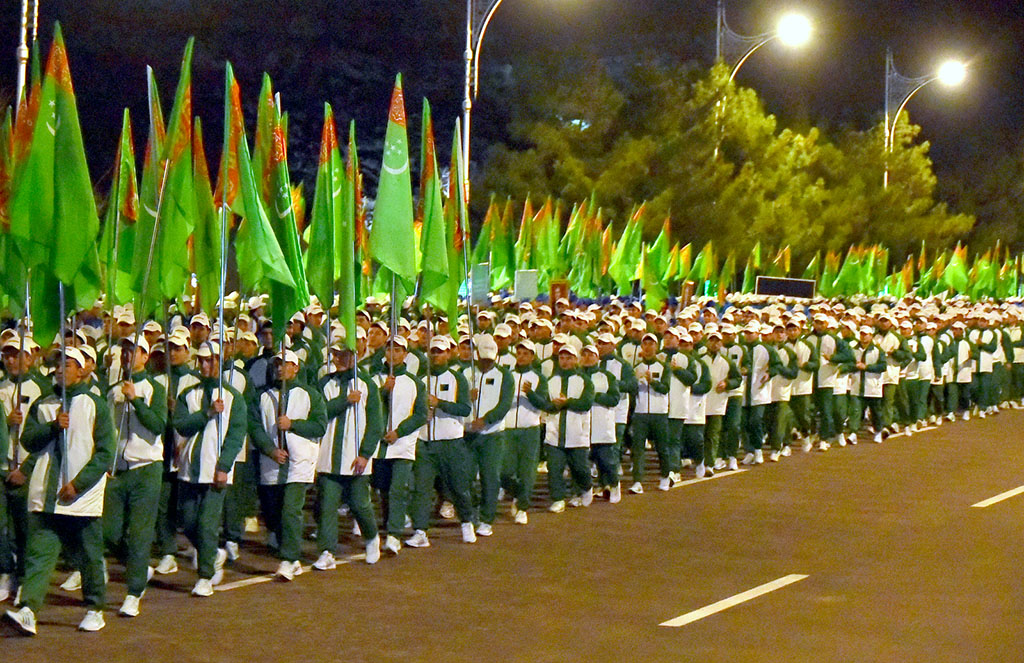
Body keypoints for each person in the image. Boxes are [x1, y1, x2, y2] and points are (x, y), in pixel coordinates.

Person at [5, 347, 115, 635]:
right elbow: (28, 440)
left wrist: (78, 484)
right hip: (46, 493)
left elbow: (105, 453)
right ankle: (29, 608)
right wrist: (53, 426)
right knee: (39, 553)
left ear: (82, 370)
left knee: (89, 555)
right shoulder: (44, 404)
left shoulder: (95, 404)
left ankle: (95, 608)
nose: (59, 370)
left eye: (67, 365)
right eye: (57, 365)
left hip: (82, 496)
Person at [172, 342, 247, 597]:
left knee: (206, 524)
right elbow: (181, 424)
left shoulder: (233, 397)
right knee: (188, 521)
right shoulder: (188, 394)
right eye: (202, 360)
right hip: (189, 469)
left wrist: (224, 466)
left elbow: (236, 435)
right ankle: (213, 553)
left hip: (215, 470)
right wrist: (206, 413)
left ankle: (204, 576)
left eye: (211, 360)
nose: (206, 365)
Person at [102, 336, 166, 617]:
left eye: (134, 351)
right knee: (109, 532)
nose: (127, 356)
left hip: (147, 467)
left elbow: (157, 425)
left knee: (140, 534)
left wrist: (137, 400)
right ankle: (139, 565)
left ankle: (134, 591)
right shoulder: (113, 389)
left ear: (145, 355)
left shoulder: (155, 388)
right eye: (124, 351)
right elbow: (106, 427)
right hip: (117, 469)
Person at [250, 350, 327, 581]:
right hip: (272, 461)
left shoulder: (310, 395)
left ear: (296, 368)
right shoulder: (262, 395)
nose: (281, 369)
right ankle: (288, 550)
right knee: (273, 513)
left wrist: (293, 424)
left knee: (291, 509)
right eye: (277, 365)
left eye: (286, 365)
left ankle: (290, 558)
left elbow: (319, 426)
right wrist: (269, 449)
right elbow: (254, 426)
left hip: (299, 460)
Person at [314, 340, 384, 569]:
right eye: (336, 354)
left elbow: (375, 424)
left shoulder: (366, 384)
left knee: (359, 504)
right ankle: (326, 550)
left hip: (355, 457)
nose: (340, 359)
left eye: (345, 355)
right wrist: (344, 401)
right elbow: (318, 413)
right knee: (327, 505)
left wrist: (365, 454)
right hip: (328, 456)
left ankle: (372, 537)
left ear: (354, 356)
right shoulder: (325, 383)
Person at [408, 337, 476, 548]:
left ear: (448, 353)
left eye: (440, 351)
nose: (436, 355)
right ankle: (420, 530)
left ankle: (467, 522)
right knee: (422, 488)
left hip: (451, 442)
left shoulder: (457, 379)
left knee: (458, 486)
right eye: (433, 351)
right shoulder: (420, 380)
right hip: (425, 442)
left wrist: (440, 404)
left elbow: (464, 409)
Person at [0, 335, 48, 603]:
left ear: (29, 358)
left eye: (16, 354)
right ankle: (5, 571)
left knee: (25, 529)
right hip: (2, 465)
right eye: (6, 355)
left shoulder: (42, 390)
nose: (10, 360)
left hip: (28, 470)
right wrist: (5, 423)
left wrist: (26, 468)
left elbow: (46, 436)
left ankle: (24, 578)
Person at [464, 335, 513, 537]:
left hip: (492, 435)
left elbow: (504, 405)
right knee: (465, 477)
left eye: (489, 360)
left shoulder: (505, 376)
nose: (486, 363)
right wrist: (468, 396)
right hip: (468, 435)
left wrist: (485, 420)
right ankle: (471, 513)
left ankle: (486, 518)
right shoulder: (465, 373)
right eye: (483, 359)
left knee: (489, 477)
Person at [540, 345, 594, 512]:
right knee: (554, 469)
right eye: (562, 358)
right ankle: (558, 498)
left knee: (580, 469)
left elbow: (586, 404)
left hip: (577, 433)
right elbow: (545, 404)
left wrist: (567, 402)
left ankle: (586, 488)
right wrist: (553, 406)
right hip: (554, 433)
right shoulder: (551, 381)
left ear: (576, 360)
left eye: (569, 358)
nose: (565, 361)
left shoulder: (584, 381)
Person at [500, 339, 547, 524]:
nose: (521, 357)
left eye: (526, 353)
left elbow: (543, 403)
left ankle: (522, 507)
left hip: (530, 430)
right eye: (519, 353)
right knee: (504, 471)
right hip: (508, 429)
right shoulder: (507, 376)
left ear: (532, 357)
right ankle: (518, 494)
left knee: (527, 471)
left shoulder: (538, 378)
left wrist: (531, 394)